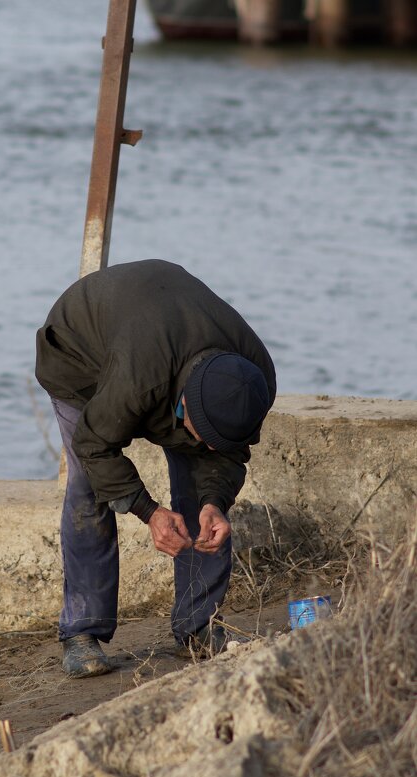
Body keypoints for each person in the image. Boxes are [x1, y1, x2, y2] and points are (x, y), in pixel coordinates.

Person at [35, 259, 276, 678]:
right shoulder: (138, 380)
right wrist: (148, 511)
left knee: (200, 486)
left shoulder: (254, 380)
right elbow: (95, 446)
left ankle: (198, 627)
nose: (203, 443)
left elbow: (228, 451)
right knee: (89, 487)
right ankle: (81, 633)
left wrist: (215, 501)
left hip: (158, 333)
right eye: (200, 431)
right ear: (183, 404)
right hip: (79, 352)